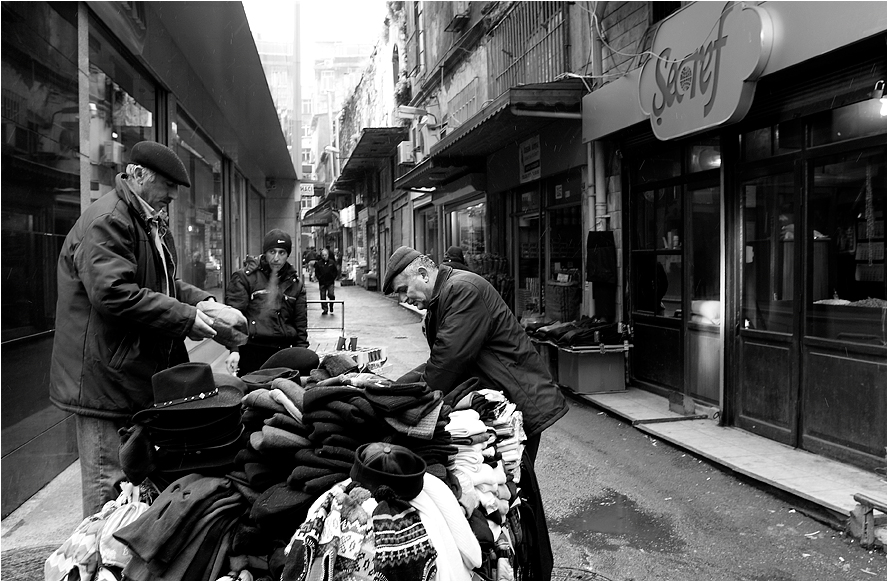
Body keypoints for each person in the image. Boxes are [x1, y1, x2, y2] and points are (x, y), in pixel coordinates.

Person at [50, 140, 218, 517]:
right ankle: (93, 568)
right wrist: (185, 317)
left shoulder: (147, 221)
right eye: (165, 194)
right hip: (103, 382)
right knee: (106, 489)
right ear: (138, 175)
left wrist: (203, 303)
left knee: (130, 483)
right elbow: (113, 293)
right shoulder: (108, 220)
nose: (169, 203)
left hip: (130, 376)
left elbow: (164, 285)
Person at [382, 246, 568, 464]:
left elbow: (448, 361)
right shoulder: (444, 296)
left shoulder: (462, 290)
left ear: (423, 275)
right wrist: (396, 389)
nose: (404, 299)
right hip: (500, 400)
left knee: (516, 483)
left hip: (518, 399)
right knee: (505, 481)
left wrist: (407, 402)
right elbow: (439, 361)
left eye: (404, 289)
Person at [225, 229, 309, 375]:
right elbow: (233, 317)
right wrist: (234, 350)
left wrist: (301, 355)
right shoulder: (244, 278)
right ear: (265, 252)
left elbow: (300, 324)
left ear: (287, 255)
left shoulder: (295, 284)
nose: (276, 258)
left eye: (281, 253)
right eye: (272, 252)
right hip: (252, 349)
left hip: (283, 351)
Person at [314, 247, 339, 315]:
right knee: (323, 296)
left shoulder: (331, 262)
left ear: (328, 255)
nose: (324, 256)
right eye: (323, 255)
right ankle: (325, 309)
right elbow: (317, 272)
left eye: (325, 255)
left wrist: (333, 278)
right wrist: (319, 278)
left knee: (331, 294)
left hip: (330, 282)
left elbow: (335, 271)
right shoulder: (319, 263)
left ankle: (331, 305)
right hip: (322, 282)